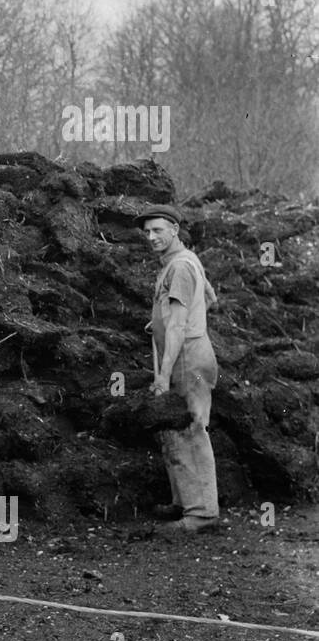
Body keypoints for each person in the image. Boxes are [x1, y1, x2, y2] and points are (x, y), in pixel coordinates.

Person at [137, 204, 221, 534]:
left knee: (190, 428)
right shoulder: (182, 261)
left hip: (188, 357)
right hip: (185, 353)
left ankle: (201, 514)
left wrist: (162, 374)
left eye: (158, 230)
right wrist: (160, 319)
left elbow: (177, 326)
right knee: (174, 426)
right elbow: (210, 297)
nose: (151, 237)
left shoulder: (181, 267)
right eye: (147, 232)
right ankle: (184, 500)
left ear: (174, 229)